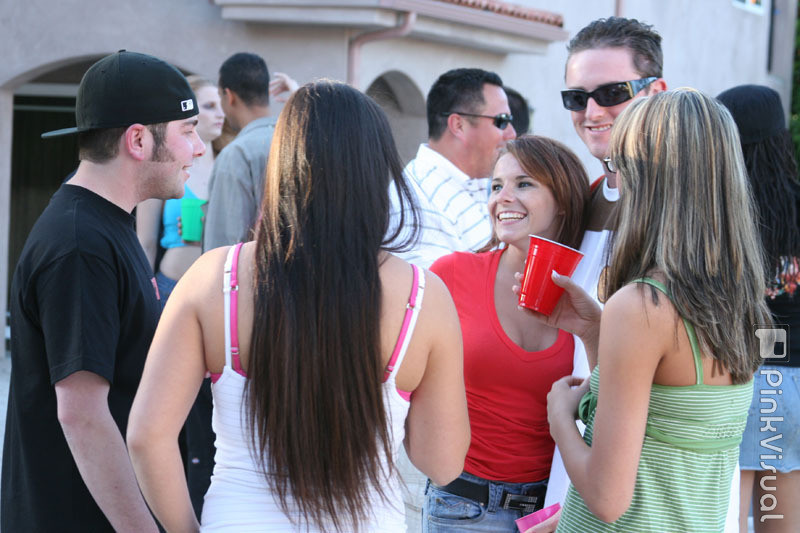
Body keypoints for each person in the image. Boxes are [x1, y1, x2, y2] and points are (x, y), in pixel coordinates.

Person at [127, 80, 471, 532]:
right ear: (377, 169)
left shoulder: (214, 279)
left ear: (282, 164)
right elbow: (441, 462)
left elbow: (147, 437)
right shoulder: (424, 297)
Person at [529, 88, 770, 532]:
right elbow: (669, 435)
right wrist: (596, 332)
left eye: (616, 164)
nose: (615, 181)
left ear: (648, 176)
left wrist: (559, 417)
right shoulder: (744, 299)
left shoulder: (643, 304)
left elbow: (606, 499)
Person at [1, 50, 204, 532]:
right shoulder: (80, 245)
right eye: (188, 130)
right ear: (137, 139)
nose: (197, 148)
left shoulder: (105, 224)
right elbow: (82, 414)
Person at [423, 135, 589, 532]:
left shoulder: (592, 291)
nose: (503, 197)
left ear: (563, 201)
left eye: (524, 184)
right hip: (461, 507)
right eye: (497, 186)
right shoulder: (452, 274)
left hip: (556, 509)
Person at [717, 84, 800, 533]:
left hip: (741, 379)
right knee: (782, 525)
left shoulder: (721, 214)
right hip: (796, 384)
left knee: (729, 521)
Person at [391, 67, 517, 270]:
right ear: (458, 125)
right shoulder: (418, 200)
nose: (512, 133)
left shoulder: (481, 182)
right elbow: (429, 295)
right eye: (501, 121)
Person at [203, 52, 276, 250]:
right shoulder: (299, 142)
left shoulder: (238, 154)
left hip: (250, 276)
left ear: (230, 96)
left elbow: (224, 246)